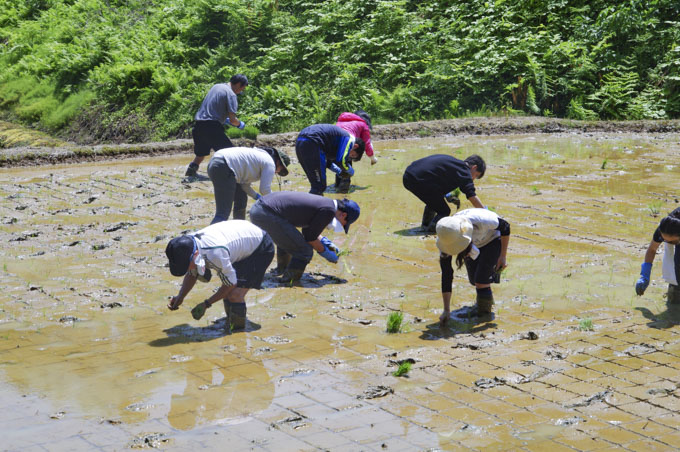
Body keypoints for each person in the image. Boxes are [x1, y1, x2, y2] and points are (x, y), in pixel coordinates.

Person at [165, 220, 274, 331]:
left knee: (235, 294)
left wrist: (206, 304)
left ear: (196, 255)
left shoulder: (215, 254)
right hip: (240, 242)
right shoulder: (187, 245)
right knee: (226, 292)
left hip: (260, 248)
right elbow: (192, 273)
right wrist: (180, 296)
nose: (186, 269)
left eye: (186, 265)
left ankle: (238, 332)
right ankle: (230, 321)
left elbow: (231, 283)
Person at [249, 191, 360, 283]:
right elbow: (310, 238)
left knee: (291, 238)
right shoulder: (329, 210)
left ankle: (282, 269)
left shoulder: (327, 204)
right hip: (265, 214)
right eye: (344, 223)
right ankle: (289, 280)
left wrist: (325, 242)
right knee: (304, 251)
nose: (342, 225)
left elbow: (308, 230)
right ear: (343, 215)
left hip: (260, 209)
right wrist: (326, 252)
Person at [435, 208, 510, 325]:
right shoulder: (447, 237)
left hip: (493, 239)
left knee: (481, 280)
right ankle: (485, 300)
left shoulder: (481, 220)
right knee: (474, 280)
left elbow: (506, 227)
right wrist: (446, 310)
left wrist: (502, 256)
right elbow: (447, 274)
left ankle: (484, 313)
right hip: (474, 244)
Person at [185, 74, 249, 178]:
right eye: (242, 88)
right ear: (238, 84)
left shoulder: (217, 86)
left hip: (199, 125)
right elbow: (233, 120)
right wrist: (240, 124)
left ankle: (191, 171)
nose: (241, 91)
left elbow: (213, 107)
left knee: (201, 152)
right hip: (212, 127)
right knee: (230, 153)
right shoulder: (231, 94)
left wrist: (224, 120)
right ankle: (233, 175)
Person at [403, 154, 486, 232]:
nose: (473, 179)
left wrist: (448, 195)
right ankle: (431, 231)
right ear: (474, 167)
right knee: (444, 211)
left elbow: (440, 183)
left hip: (408, 175)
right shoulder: (465, 172)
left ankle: (425, 226)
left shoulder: (455, 165)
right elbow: (472, 197)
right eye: (476, 175)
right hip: (418, 179)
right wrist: (486, 214)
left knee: (435, 202)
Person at [207, 146, 290, 223]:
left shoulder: (258, 157)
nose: (277, 172)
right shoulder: (270, 163)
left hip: (215, 162)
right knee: (222, 213)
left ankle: (239, 230)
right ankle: (207, 238)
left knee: (241, 200)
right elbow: (265, 189)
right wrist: (276, 205)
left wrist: (257, 197)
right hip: (224, 166)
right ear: (278, 161)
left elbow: (244, 185)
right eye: (280, 170)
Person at [295, 124, 365, 195]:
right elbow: (341, 161)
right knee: (319, 187)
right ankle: (310, 205)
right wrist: (351, 171)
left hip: (300, 141)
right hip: (313, 141)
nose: (349, 157)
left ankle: (310, 203)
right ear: (355, 146)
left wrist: (339, 171)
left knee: (316, 185)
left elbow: (325, 160)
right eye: (352, 155)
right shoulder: (349, 139)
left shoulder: (336, 143)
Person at [635, 207, 680, 305]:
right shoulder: (665, 227)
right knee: (674, 264)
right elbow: (652, 249)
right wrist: (645, 275)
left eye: (672, 241)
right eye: (665, 240)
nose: (668, 242)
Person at [335, 109, 377, 193]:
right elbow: (367, 144)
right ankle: (343, 192)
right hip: (346, 143)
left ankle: (337, 186)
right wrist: (373, 159)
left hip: (332, 144)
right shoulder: (362, 124)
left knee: (339, 163)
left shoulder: (341, 121)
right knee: (347, 163)